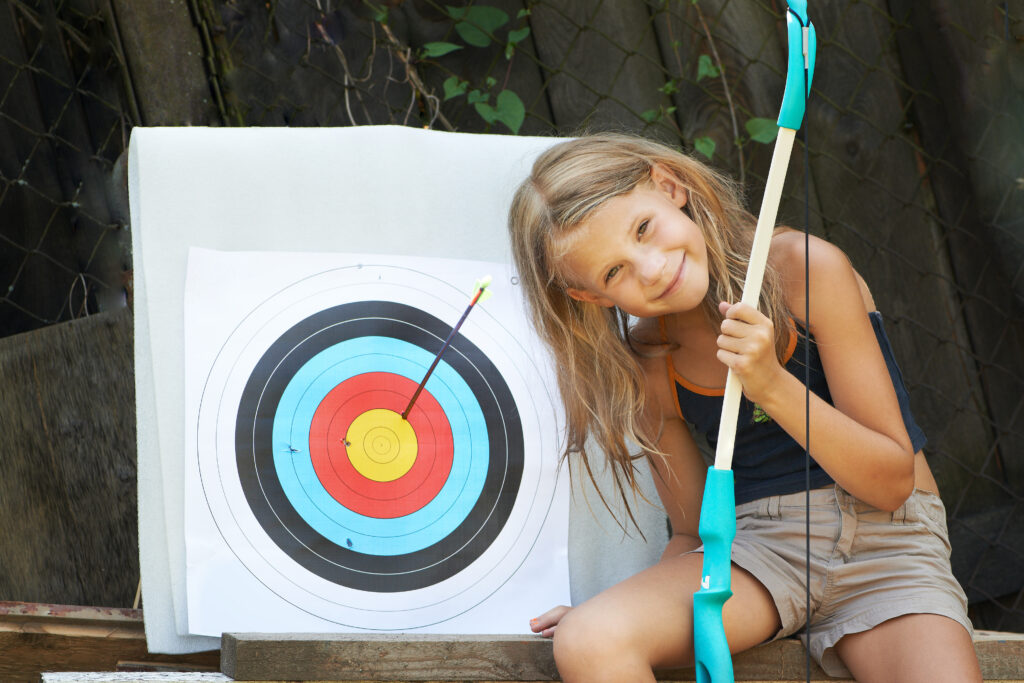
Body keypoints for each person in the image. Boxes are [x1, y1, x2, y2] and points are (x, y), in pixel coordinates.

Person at [507, 132, 981, 682]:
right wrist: (631, 614)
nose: (653, 269)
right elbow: (690, 536)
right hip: (758, 558)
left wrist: (771, 385)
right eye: (614, 272)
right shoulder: (650, 359)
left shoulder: (803, 270)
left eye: (644, 229)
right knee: (591, 640)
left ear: (670, 186)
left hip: (888, 547)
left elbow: (891, 481)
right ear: (590, 296)